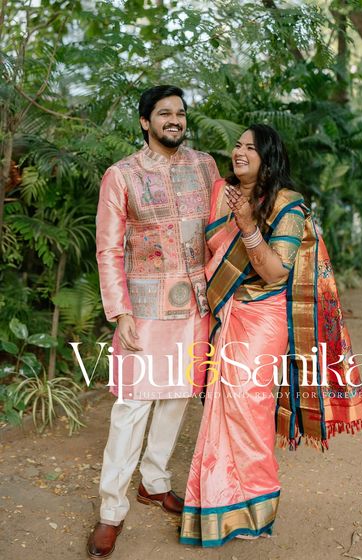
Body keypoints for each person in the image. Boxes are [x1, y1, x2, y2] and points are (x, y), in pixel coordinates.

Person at [179, 124, 362, 547]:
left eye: (251, 147)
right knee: (223, 410)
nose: (240, 151)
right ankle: (220, 505)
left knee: (249, 407)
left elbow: (274, 273)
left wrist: (249, 226)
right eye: (238, 145)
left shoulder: (286, 204)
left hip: (263, 319)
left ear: (269, 157)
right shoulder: (222, 192)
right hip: (226, 313)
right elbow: (209, 250)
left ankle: (257, 509)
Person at [87, 85, 219, 558]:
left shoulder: (205, 166)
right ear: (146, 122)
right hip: (143, 310)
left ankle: (155, 482)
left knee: (178, 397)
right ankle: (111, 511)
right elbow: (107, 249)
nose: (174, 120)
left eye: (180, 113)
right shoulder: (121, 175)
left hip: (196, 307)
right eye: (164, 113)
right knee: (132, 407)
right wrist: (120, 311)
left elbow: (220, 231)